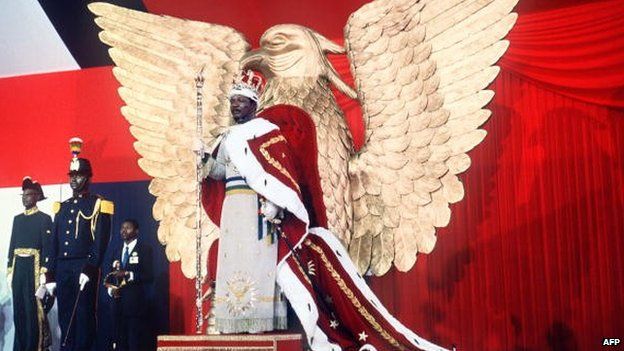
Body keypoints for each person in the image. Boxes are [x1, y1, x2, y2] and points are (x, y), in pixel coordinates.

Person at [199, 71, 288, 334]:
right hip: (232, 207)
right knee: (233, 259)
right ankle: (236, 320)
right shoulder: (227, 137)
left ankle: (258, 320)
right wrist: (204, 158)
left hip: (257, 207)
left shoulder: (266, 131)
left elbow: (279, 171)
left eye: (240, 100)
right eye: (232, 101)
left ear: (253, 103)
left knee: (257, 258)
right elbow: (221, 173)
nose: (235, 105)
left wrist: (275, 203)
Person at [44, 138, 114, 350]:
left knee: (83, 313)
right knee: (65, 313)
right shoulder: (62, 207)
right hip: (63, 267)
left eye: (79, 175)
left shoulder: (99, 204)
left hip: (82, 266)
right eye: (72, 176)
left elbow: (100, 240)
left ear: (89, 177)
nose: (74, 180)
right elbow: (53, 242)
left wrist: (90, 268)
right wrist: (50, 275)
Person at [7, 177, 53, 350]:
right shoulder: (17, 219)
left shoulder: (44, 219)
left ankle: (34, 346)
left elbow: (48, 247)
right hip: (19, 267)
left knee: (33, 310)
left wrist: (44, 271)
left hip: (34, 268)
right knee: (19, 309)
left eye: (28, 195)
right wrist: (9, 268)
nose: (25, 198)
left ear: (36, 196)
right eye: (23, 195)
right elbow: (12, 245)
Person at [105, 219, 154, 351]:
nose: (124, 231)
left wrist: (128, 274)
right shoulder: (116, 250)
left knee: (134, 342)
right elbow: (109, 275)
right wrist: (111, 291)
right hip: (117, 305)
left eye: (128, 228)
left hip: (135, 305)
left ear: (136, 231)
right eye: (122, 228)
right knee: (119, 342)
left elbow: (149, 275)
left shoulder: (145, 249)